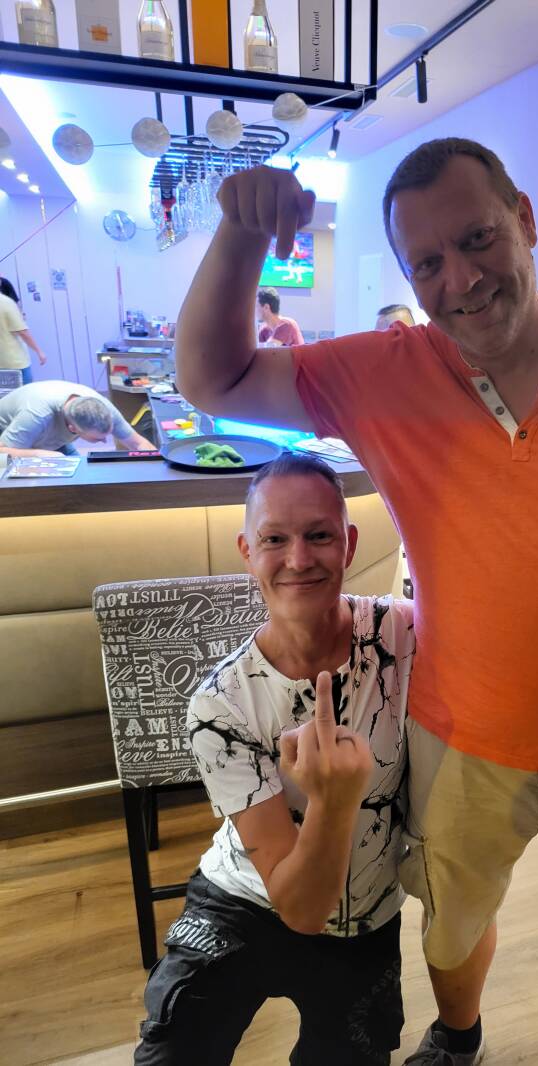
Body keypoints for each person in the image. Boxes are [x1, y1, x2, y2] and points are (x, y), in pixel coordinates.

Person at [175, 138, 538, 1066]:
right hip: (456, 733)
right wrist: (241, 234)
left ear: (525, 219)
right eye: (428, 263)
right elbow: (213, 380)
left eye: (478, 239)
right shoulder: (383, 371)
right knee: (450, 925)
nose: (462, 280)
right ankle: (459, 1037)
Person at [134, 453, 415, 1066]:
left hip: (364, 916)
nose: (299, 558)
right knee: (174, 1047)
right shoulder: (220, 704)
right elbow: (301, 907)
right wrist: (334, 800)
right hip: (244, 898)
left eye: (319, 535)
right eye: (274, 539)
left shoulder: (401, 635)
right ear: (247, 550)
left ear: (350, 543)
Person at [0, 379, 156, 457]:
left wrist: (156, 467)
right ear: (73, 429)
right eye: (97, 439)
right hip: (10, 438)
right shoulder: (37, 415)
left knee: (79, 475)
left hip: (48, 435)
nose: (104, 442)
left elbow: (139, 443)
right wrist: (41, 454)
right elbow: (2, 453)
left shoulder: (104, 409)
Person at [0, 276, 46, 386]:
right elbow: (22, 332)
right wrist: (39, 351)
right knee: (24, 393)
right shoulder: (6, 303)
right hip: (13, 364)